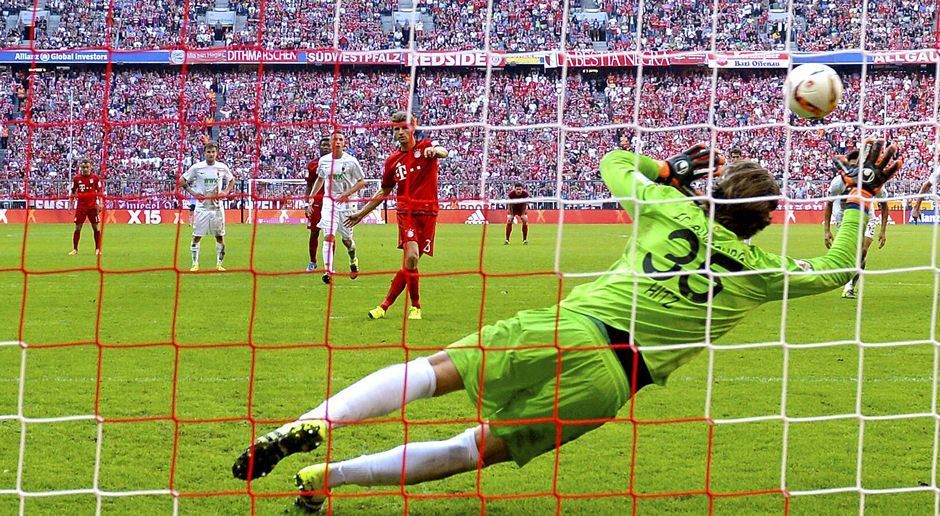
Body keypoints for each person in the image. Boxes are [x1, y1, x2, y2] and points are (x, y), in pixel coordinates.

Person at [231, 139, 900, 513]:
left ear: (712, 194)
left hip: (572, 322)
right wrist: (855, 198)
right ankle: (329, 479)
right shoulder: (760, 271)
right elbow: (839, 265)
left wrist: (671, 170)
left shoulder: (671, 207)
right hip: (614, 379)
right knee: (472, 449)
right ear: (765, 222)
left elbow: (612, 161)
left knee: (435, 373)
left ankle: (318, 419)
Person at [345, 111, 448, 321]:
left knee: (410, 264)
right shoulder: (392, 161)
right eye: (396, 129)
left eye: (404, 127)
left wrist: (434, 151)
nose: (400, 132)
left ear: (413, 126)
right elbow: (384, 191)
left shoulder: (426, 145)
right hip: (405, 211)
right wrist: (361, 214)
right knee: (411, 256)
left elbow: (443, 151)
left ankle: (400, 306)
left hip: (428, 212)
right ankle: (400, 306)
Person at [823, 154, 889, 299]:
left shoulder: (870, 179)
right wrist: (827, 231)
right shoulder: (837, 183)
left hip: (867, 216)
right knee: (852, 252)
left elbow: (884, 204)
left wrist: (883, 231)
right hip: (844, 217)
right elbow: (828, 203)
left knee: (862, 251)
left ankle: (850, 286)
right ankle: (848, 283)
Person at [308, 132, 366, 284]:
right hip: (330, 202)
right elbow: (320, 178)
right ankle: (328, 271)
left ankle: (353, 260)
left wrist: (347, 193)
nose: (338, 142)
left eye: (341, 139)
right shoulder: (324, 161)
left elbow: (361, 182)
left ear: (344, 143)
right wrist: (311, 198)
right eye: (335, 139)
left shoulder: (351, 162)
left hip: (348, 204)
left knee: (347, 241)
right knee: (328, 235)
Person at [179, 143, 234, 272]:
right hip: (202, 208)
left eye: (213, 152)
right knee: (197, 236)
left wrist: (226, 192)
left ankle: (219, 264)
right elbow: (182, 180)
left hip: (217, 208)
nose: (211, 154)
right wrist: (193, 193)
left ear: (217, 153)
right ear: (204, 153)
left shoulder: (222, 167)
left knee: (219, 236)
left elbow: (232, 180)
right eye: (208, 152)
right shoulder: (197, 167)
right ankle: (195, 264)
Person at [305, 136, 333, 272]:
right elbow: (309, 185)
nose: (326, 147)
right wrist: (307, 203)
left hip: (332, 202)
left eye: (328, 145)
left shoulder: (338, 163)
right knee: (314, 233)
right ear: (319, 147)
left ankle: (330, 265)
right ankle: (312, 261)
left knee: (330, 234)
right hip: (316, 203)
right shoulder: (312, 165)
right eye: (323, 145)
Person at [68, 159, 102, 256]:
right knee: (78, 228)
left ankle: (98, 249)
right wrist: (70, 204)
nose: (85, 169)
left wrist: (100, 204)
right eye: (83, 167)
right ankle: (75, 249)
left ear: (91, 167)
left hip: (92, 207)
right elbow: (73, 192)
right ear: (81, 168)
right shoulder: (76, 178)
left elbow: (99, 192)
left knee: (96, 228)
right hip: (81, 207)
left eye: (87, 167)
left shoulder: (95, 178)